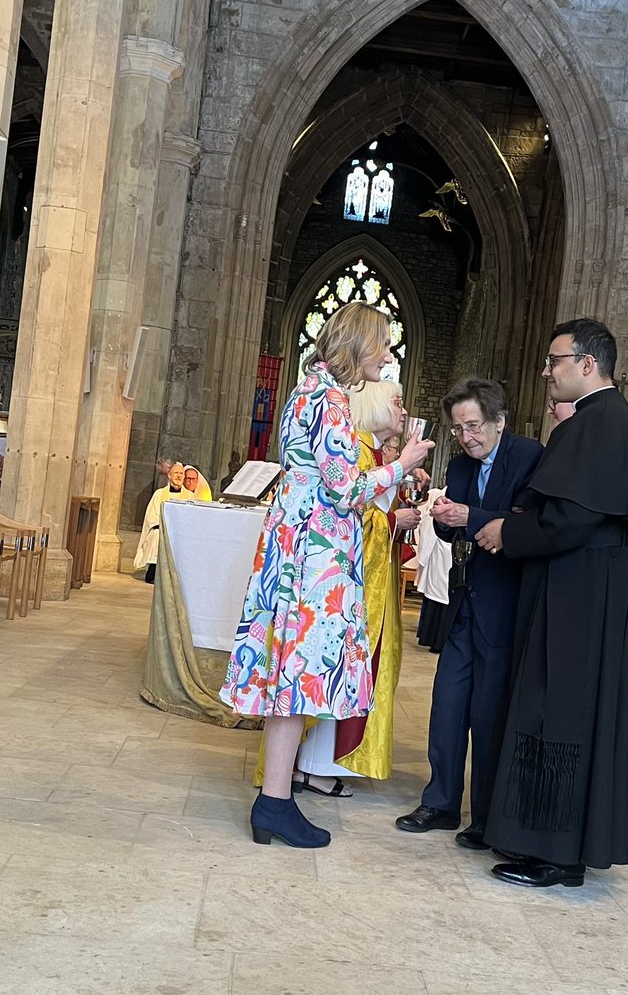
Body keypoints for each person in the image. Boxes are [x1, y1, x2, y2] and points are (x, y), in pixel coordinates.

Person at [219, 303, 433, 849]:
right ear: (357, 344)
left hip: (298, 544)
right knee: (297, 674)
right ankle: (273, 804)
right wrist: (402, 463)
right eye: (383, 344)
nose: (387, 356)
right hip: (314, 558)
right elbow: (344, 488)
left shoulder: (305, 391)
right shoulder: (330, 401)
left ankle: (276, 800)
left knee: (290, 674)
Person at [474, 319, 628, 887]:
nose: (548, 372)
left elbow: (571, 518)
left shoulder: (602, 423)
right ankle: (540, 840)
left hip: (577, 594)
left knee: (562, 713)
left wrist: (509, 532)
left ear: (587, 363)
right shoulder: (599, 421)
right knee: (549, 707)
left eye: (555, 361)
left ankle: (558, 855)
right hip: (575, 586)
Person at [396, 377, 542, 851]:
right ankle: (439, 803)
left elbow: (527, 527)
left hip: (504, 605)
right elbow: (448, 536)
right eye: (458, 429)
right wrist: (441, 521)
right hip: (462, 603)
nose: (466, 437)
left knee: (490, 713)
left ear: (499, 422)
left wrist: (470, 518)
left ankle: (483, 817)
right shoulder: (458, 467)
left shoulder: (528, 458)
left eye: (474, 426)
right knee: (448, 707)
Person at [295, 380, 419, 791]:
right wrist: (390, 520)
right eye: (396, 402)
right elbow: (347, 514)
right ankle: (312, 765)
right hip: (350, 585)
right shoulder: (359, 451)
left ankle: (329, 763)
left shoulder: (376, 453)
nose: (402, 410)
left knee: (357, 671)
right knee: (335, 667)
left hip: (373, 583)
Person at [133, 461, 193, 582]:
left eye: (181, 473)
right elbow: (152, 516)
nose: (179, 476)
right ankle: (153, 574)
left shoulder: (190, 496)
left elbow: (191, 518)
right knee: (156, 535)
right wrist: (165, 525)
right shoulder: (159, 494)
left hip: (180, 532)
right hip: (161, 528)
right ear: (169, 475)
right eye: (176, 473)